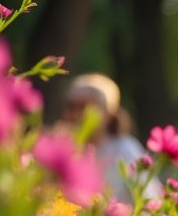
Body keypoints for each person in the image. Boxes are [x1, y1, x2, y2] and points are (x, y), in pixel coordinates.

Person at [60, 73, 156, 205]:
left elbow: (150, 200)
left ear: (108, 113)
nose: (75, 114)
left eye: (84, 106)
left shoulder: (125, 149)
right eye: (71, 106)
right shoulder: (63, 149)